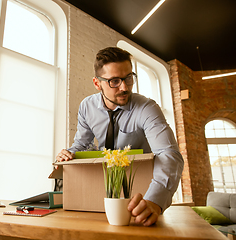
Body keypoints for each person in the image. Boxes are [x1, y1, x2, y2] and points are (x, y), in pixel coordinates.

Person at [56, 47, 184, 226]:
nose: (124, 88)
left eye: (129, 78)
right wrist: (68, 153)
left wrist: (155, 201)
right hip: (102, 191)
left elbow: (169, 154)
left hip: (142, 196)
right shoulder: (87, 107)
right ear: (97, 83)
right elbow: (82, 145)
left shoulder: (147, 108)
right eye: (114, 81)